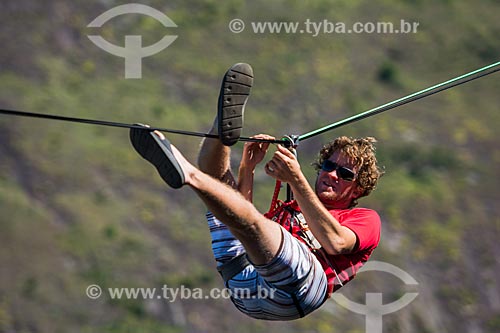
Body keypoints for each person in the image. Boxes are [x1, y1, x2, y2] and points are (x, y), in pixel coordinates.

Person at [129, 63, 384, 320]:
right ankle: (220, 130)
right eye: (329, 166)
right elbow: (245, 221)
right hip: (242, 281)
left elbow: (336, 242)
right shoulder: (293, 208)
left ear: (358, 189)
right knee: (222, 190)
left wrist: (295, 179)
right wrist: (247, 169)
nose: (332, 174)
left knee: (254, 225)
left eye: (345, 174)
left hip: (297, 291)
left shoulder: (366, 219)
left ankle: (188, 174)